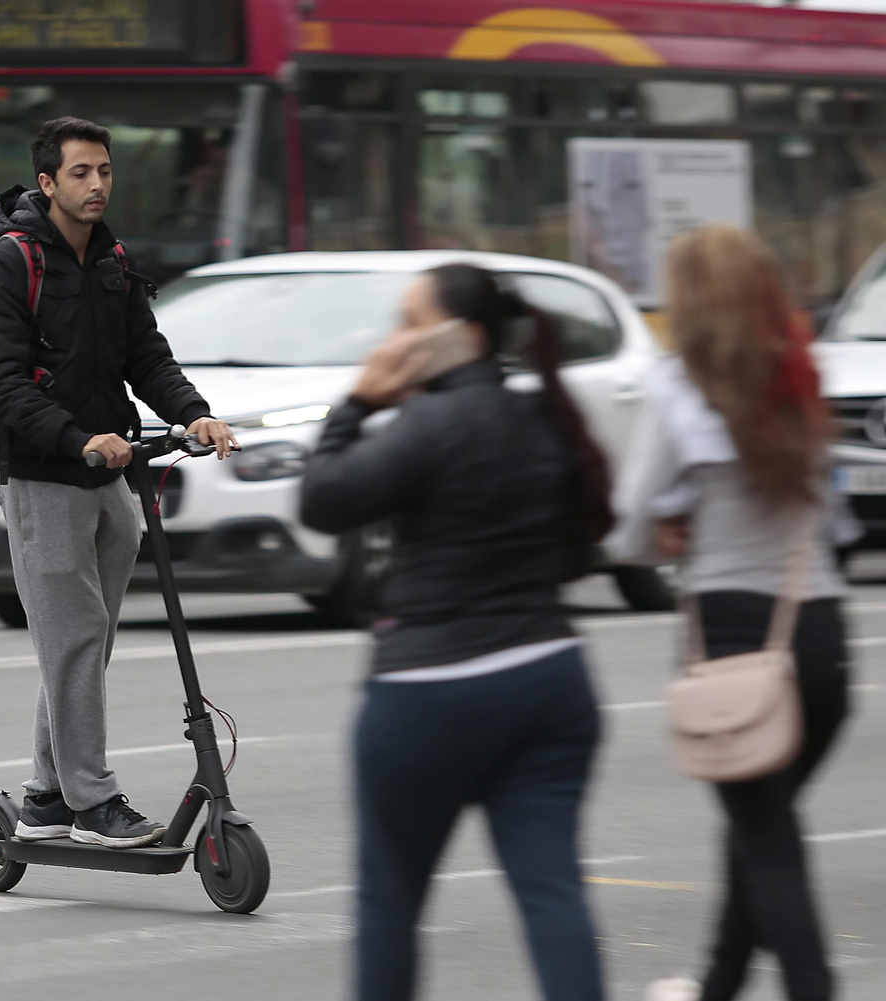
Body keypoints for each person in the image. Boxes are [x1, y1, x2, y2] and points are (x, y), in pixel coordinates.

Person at [300, 263, 613, 1001]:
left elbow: (324, 499)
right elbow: (578, 550)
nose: (394, 340)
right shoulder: (544, 417)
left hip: (429, 689)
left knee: (389, 901)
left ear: (463, 335)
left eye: (410, 322)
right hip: (550, 677)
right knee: (552, 891)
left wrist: (355, 404)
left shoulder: (427, 426)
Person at [0, 117, 237, 849]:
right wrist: (78, 437)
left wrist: (194, 413)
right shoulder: (9, 263)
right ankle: (92, 801)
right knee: (77, 638)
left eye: (105, 171)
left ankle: (48, 793)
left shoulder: (112, 258)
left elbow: (146, 355)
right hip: (43, 476)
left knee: (82, 643)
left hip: (110, 477)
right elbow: (0, 379)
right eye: (81, 173)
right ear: (47, 182)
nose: (97, 185)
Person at [607, 226, 850, 1001]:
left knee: (766, 835)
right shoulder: (802, 375)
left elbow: (630, 516)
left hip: (734, 634)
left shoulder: (681, 384)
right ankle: (718, 982)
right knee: (759, 823)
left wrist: (666, 527)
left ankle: (812, 986)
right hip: (822, 631)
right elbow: (833, 516)